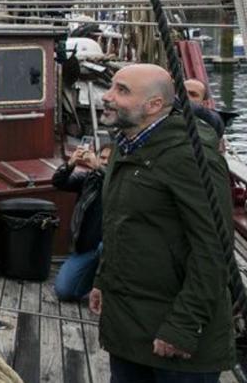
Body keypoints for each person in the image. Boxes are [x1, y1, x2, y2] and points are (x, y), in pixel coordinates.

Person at [91, 64, 234, 381]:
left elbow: (212, 249)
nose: (108, 97)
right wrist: (103, 278)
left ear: (154, 105)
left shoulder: (190, 158)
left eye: (122, 91)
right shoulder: (126, 148)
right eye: (112, 87)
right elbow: (121, 223)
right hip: (129, 326)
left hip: (178, 338)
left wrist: (184, 324)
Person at [51, 143, 108, 301]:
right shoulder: (90, 179)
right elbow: (58, 182)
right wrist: (71, 163)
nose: (104, 162)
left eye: (109, 159)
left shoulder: (121, 186)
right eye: (102, 158)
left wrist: (98, 166)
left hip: (110, 251)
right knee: (64, 291)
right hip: (87, 249)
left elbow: (113, 184)